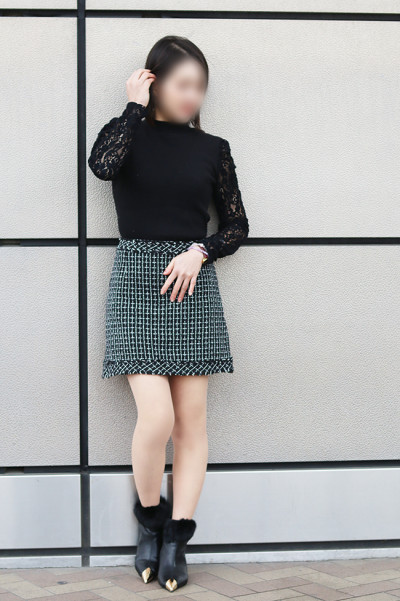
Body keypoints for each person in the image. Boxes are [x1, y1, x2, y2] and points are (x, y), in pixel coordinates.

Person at [88, 35, 249, 592]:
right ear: (155, 82)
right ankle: (150, 522)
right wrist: (133, 107)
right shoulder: (125, 135)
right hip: (137, 283)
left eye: (199, 87)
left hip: (191, 286)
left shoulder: (213, 149)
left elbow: (237, 225)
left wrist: (200, 250)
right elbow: (101, 167)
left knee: (191, 423)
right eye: (182, 84)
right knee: (156, 418)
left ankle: (176, 540)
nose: (192, 96)